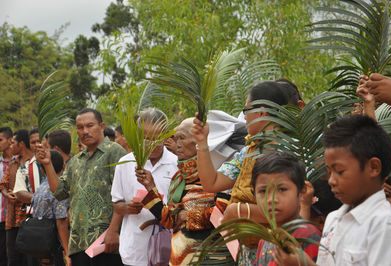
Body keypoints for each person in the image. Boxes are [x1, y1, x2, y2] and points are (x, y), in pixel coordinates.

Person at [279, 115, 391, 266]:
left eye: (340, 171)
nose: (331, 181)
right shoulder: (333, 219)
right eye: (330, 172)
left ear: (373, 168)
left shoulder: (384, 225)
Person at [192, 81, 291, 264]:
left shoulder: (291, 151)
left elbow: (290, 208)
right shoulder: (249, 152)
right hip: (248, 252)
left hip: (278, 251)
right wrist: (202, 143)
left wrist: (237, 210)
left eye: (246, 111)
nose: (244, 118)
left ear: (261, 111)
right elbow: (211, 183)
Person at [36, 108, 127, 266]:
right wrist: (48, 164)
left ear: (102, 126)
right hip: (79, 244)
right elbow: (59, 192)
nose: (85, 131)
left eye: (90, 125)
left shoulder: (115, 152)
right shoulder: (76, 161)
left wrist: (113, 231)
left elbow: (123, 196)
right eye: (80, 127)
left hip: (106, 243)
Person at [137, 118, 232, 265]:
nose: (177, 144)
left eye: (182, 138)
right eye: (176, 138)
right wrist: (150, 187)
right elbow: (170, 222)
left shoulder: (220, 174)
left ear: (200, 141)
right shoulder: (179, 178)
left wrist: (188, 215)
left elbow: (224, 217)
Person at [107, 108, 178, 266]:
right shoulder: (125, 164)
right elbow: (116, 204)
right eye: (147, 139)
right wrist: (127, 207)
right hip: (135, 251)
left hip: (170, 250)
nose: (154, 144)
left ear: (166, 135)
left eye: (158, 138)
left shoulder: (177, 163)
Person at [251, 152, 321, 265]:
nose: (271, 199)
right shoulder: (266, 240)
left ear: (301, 191)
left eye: (282, 189)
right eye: (263, 191)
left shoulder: (308, 236)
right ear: (254, 194)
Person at [31, 150, 70, 266]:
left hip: (40, 243)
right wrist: (67, 252)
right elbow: (61, 221)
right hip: (56, 245)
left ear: (42, 170)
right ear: (64, 166)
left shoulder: (39, 189)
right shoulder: (59, 190)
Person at [0, 129, 33, 265]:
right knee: (13, 259)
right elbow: (3, 184)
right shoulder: (13, 165)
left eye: (13, 143)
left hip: (30, 219)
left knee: (30, 258)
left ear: (22, 144)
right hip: (12, 219)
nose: (11, 146)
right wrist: (7, 194)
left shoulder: (35, 163)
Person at [14, 128, 42, 204]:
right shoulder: (23, 168)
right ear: (29, 144)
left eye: (39, 141)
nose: (36, 145)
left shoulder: (57, 162)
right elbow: (19, 193)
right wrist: (41, 199)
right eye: (33, 142)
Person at [0, 127, 13, 266]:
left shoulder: (19, 162)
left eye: (0, 140)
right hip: (0, 217)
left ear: (10, 140)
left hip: (15, 218)